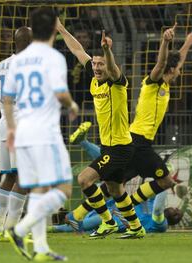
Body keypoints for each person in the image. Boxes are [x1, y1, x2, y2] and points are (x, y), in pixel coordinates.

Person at [67, 23, 192, 231]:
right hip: (138, 142)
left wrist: (189, 42)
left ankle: (79, 216)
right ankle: (114, 215)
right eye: (178, 69)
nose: (179, 72)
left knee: (112, 187)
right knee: (162, 182)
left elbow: (172, 62)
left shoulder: (164, 84)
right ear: (171, 70)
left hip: (132, 141)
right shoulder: (154, 82)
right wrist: (165, 42)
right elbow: (162, 62)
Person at [57, 20, 145, 240]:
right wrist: (60, 29)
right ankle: (136, 227)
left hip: (120, 147)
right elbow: (77, 49)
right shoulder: (95, 78)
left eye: (100, 65)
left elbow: (114, 70)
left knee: (84, 179)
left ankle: (108, 222)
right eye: (95, 64)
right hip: (110, 145)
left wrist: (107, 51)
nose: (96, 68)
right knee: (115, 189)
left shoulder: (117, 83)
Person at [3, 8, 79, 262]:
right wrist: (72, 106)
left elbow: (6, 98)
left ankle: (41, 249)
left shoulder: (18, 60)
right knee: (64, 188)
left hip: (22, 132)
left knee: (38, 190)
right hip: (45, 133)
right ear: (54, 29)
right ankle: (20, 230)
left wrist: (12, 128)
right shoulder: (53, 57)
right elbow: (60, 93)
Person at [0, 26, 32, 242]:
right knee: (24, 177)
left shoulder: (2, 65)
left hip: (5, 125)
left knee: (10, 175)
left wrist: (5, 113)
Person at [50, 191, 181, 234]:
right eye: (177, 210)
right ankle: (65, 219)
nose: (176, 212)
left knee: (82, 226)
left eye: (177, 216)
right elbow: (155, 189)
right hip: (113, 207)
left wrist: (165, 180)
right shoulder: (151, 201)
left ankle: (56, 226)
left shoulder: (161, 224)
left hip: (116, 222)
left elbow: (158, 209)